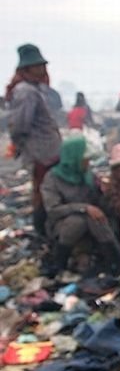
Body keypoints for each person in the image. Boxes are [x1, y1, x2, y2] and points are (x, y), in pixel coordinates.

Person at [40, 136, 120, 276]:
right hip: (62, 224)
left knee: (93, 219)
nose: (87, 162)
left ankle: (117, 263)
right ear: (74, 158)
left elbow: (100, 205)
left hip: (92, 221)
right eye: (84, 159)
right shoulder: (52, 179)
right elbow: (53, 210)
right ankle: (59, 262)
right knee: (78, 221)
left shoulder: (87, 175)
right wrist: (83, 208)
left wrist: (104, 192)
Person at [5, 43, 62, 236]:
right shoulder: (25, 91)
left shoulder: (36, 89)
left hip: (48, 149)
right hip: (40, 152)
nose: (43, 69)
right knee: (42, 191)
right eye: (38, 66)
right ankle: (42, 230)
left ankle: (47, 228)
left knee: (48, 188)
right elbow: (20, 124)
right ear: (27, 69)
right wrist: (19, 144)